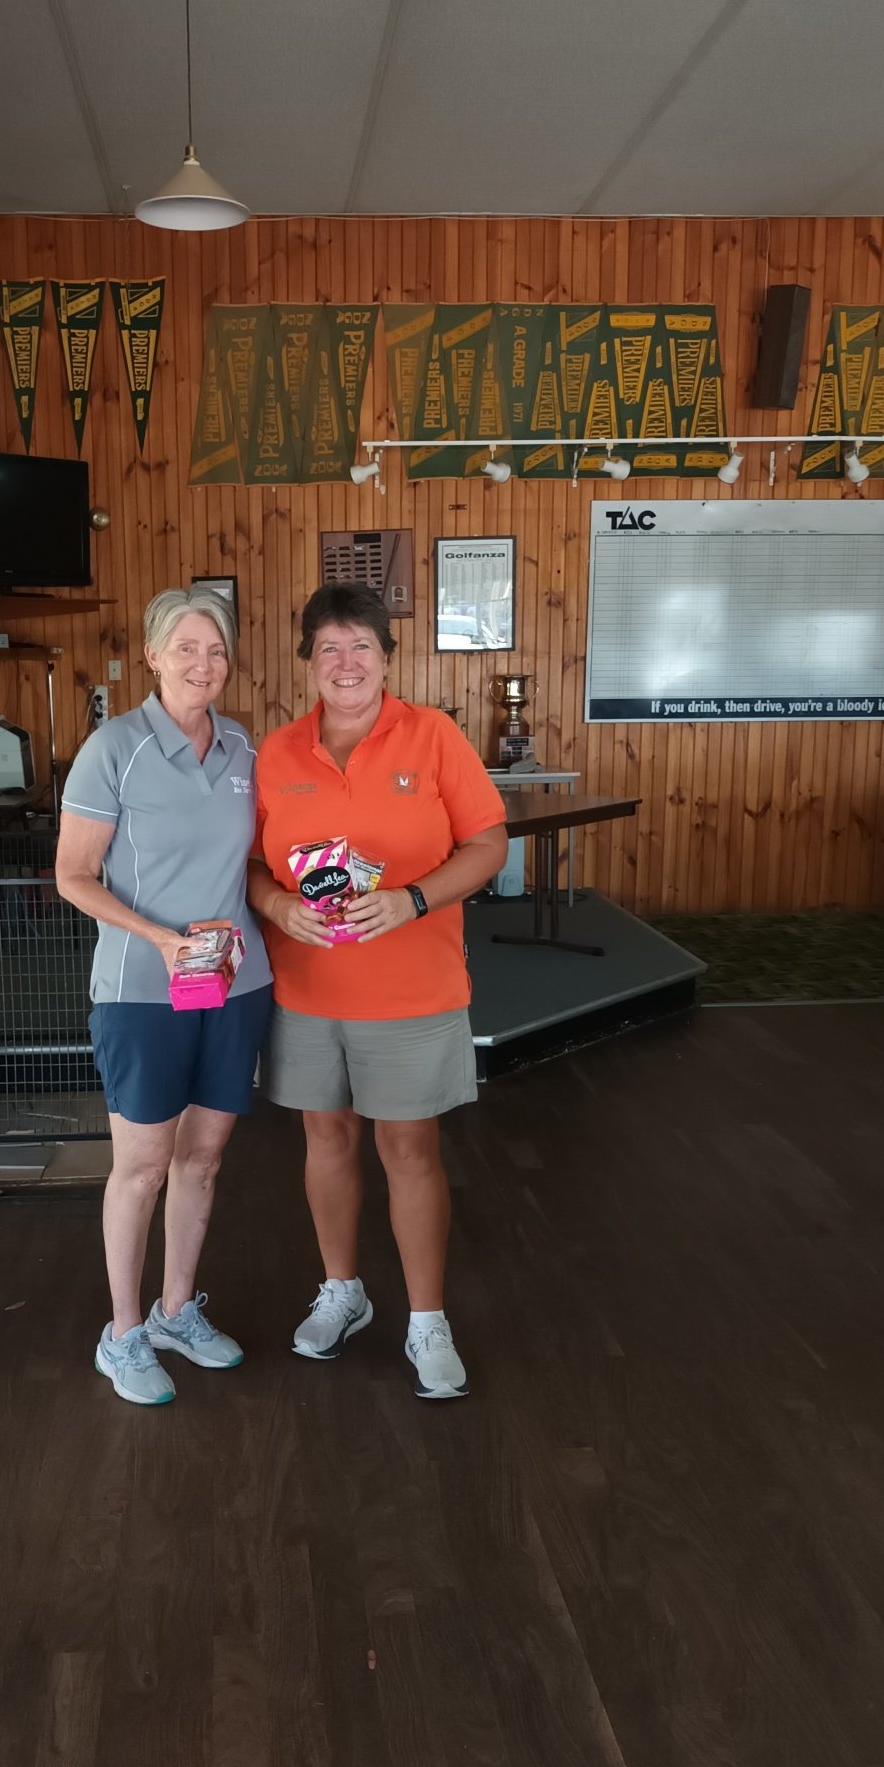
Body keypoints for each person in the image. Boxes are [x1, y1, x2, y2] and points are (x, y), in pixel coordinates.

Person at [248, 585, 508, 1399]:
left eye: (360, 644)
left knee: (408, 1150)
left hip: (413, 992)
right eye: (328, 647)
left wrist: (413, 899)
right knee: (326, 1142)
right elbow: (251, 867)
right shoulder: (277, 753)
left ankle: (427, 1319)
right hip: (307, 991)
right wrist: (277, 905)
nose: (346, 662)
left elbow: (489, 844)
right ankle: (343, 1292)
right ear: (308, 662)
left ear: (387, 658)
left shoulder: (432, 736)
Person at [57, 587, 272, 1405]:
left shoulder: (243, 747)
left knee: (203, 1160)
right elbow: (73, 876)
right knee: (143, 1167)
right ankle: (123, 1335)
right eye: (185, 648)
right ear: (151, 656)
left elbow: (256, 859)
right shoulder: (113, 748)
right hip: (143, 991)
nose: (202, 664)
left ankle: (176, 1311)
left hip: (235, 984)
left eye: (215, 650)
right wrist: (158, 938)